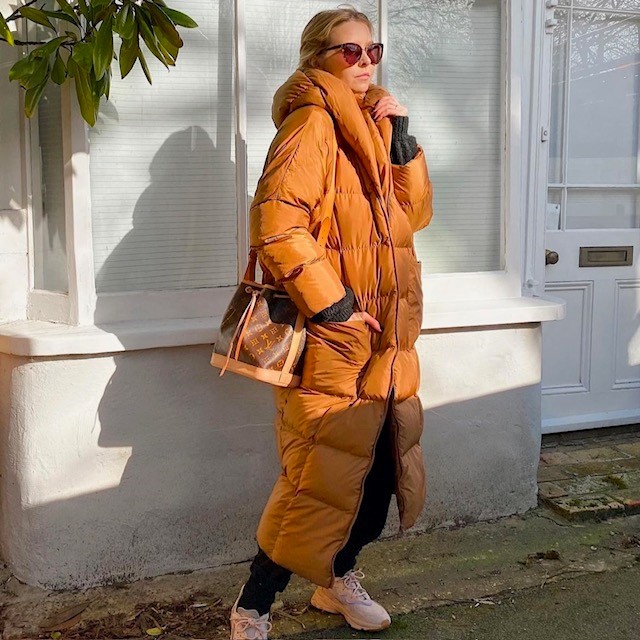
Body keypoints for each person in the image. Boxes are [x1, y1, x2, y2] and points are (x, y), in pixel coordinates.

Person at [230, 5, 434, 639]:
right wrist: (336, 307)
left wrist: (403, 138)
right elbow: (277, 225)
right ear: (318, 56)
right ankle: (252, 606)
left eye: (373, 51)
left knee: (374, 483)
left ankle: (336, 579)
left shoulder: (370, 125)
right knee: (315, 483)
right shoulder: (313, 122)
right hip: (338, 340)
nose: (366, 62)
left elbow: (414, 216)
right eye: (351, 52)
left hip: (386, 342)